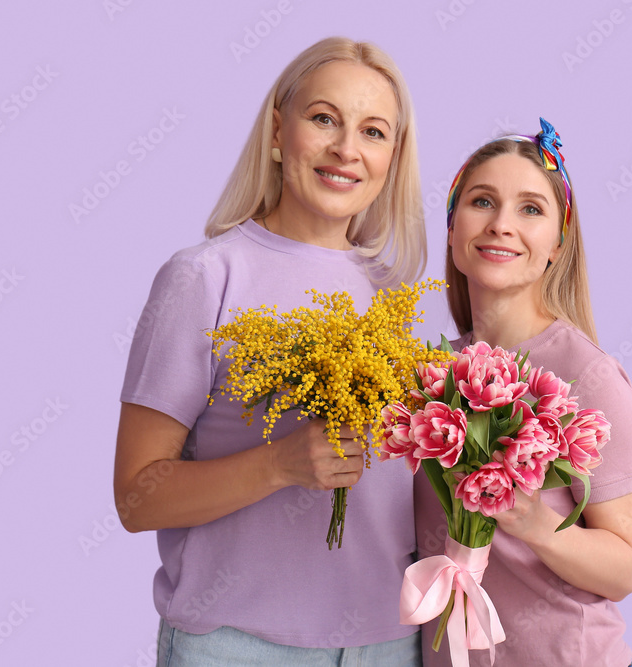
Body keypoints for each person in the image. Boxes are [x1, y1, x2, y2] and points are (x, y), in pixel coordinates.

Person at [114, 37, 426, 666]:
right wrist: (281, 464)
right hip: (240, 647)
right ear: (279, 133)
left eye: (373, 132)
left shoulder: (394, 296)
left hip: (390, 645)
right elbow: (135, 497)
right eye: (323, 119)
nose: (346, 149)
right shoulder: (205, 278)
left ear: (393, 157)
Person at [414, 119, 632, 666]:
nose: (501, 225)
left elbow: (626, 567)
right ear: (450, 228)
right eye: (482, 201)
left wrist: (536, 525)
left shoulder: (588, 376)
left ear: (558, 245)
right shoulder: (426, 376)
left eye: (531, 209)